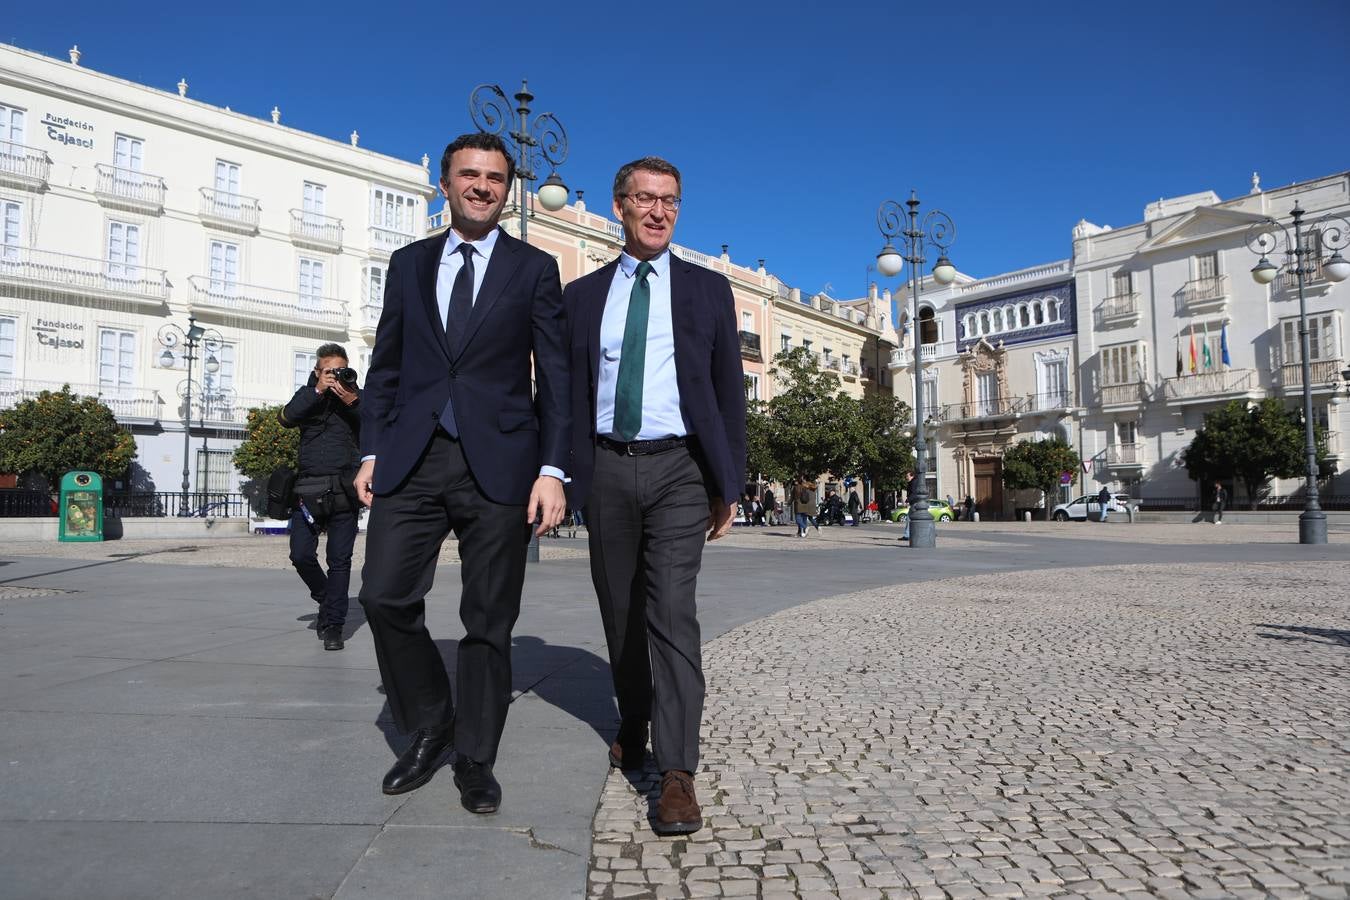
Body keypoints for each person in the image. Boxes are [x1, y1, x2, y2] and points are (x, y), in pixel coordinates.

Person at [353, 132, 570, 815]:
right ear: (445, 184)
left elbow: (555, 376)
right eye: (469, 174)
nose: (482, 186)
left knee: (488, 618)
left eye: (496, 178)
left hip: (501, 462)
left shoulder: (534, 269)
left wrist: (553, 469)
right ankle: (431, 721)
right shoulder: (409, 263)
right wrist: (371, 450)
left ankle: (476, 756)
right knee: (383, 596)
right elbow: (386, 365)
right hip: (413, 455)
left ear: (507, 190)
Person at [563, 156, 745, 836]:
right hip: (606, 466)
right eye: (644, 199)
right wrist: (560, 473)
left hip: (679, 468)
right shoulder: (582, 298)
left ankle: (676, 774)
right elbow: (567, 393)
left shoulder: (707, 290)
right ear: (619, 207)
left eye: (669, 200)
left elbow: (728, 391)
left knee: (671, 610)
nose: (658, 211)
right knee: (620, 613)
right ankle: (633, 718)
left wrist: (728, 481)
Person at [279, 343, 361, 652]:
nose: (336, 376)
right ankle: (327, 598)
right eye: (330, 371)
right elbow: (287, 418)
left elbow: (376, 423)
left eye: (341, 370)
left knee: (339, 561)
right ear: (317, 372)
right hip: (308, 489)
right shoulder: (307, 394)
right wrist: (317, 391)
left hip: (343, 489)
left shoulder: (356, 396)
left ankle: (334, 626)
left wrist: (352, 400)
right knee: (300, 554)